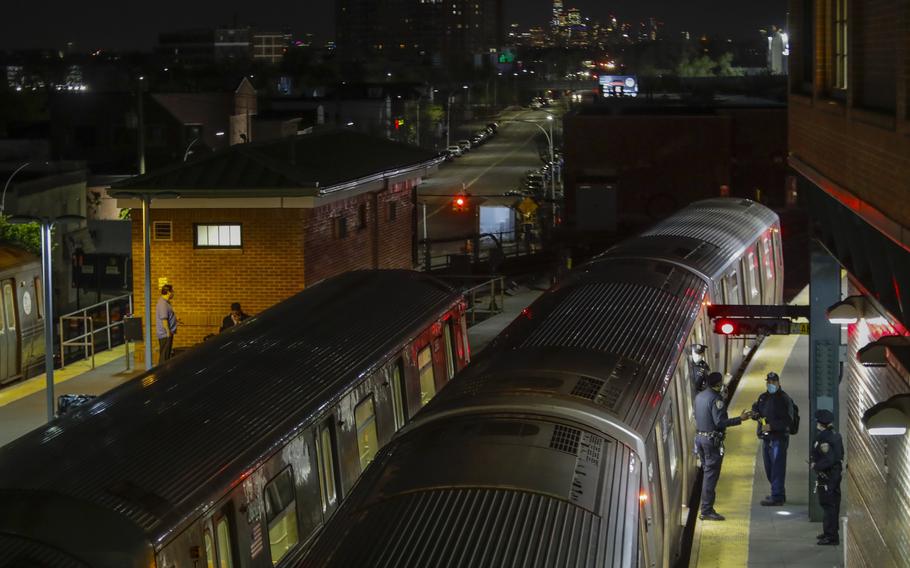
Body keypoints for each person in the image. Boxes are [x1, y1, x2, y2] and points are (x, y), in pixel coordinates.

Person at [694, 372, 751, 521]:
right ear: (718, 384)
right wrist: (740, 419)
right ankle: (706, 510)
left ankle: (706, 508)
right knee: (710, 476)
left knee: (707, 473)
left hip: (700, 439)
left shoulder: (699, 396)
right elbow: (719, 422)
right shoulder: (715, 399)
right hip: (711, 442)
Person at [750, 372, 795, 505]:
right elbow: (757, 409)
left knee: (777, 468)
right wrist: (754, 413)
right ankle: (778, 492)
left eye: (773, 382)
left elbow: (789, 421)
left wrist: (772, 426)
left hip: (779, 439)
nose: (770, 384)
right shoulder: (763, 397)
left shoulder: (784, 399)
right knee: (769, 467)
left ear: (778, 383)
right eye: (768, 382)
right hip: (767, 439)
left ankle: (777, 496)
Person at [811, 409, 843, 546]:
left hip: (829, 477)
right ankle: (829, 532)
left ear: (820, 423)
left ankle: (831, 536)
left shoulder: (825, 438)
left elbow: (829, 459)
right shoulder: (835, 434)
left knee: (829, 505)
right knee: (831, 505)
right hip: (833, 476)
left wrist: (816, 466)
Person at [156, 284, 177, 362]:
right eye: (172, 291)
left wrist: (175, 321)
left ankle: (163, 372)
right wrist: (168, 333)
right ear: (168, 292)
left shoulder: (166, 303)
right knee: (164, 357)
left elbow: (168, 317)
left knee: (166, 356)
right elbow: (164, 319)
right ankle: (161, 373)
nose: (173, 293)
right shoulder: (163, 304)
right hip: (165, 334)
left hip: (167, 333)